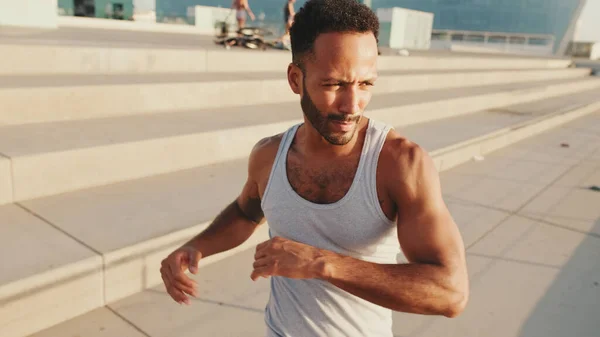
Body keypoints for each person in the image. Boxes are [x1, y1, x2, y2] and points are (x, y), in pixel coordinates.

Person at [160, 0, 469, 336]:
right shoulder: (268, 155)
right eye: (334, 84)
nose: (352, 106)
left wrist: (322, 264)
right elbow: (245, 213)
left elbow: (450, 293)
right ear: (296, 79)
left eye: (366, 84)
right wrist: (196, 246)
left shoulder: (400, 164)